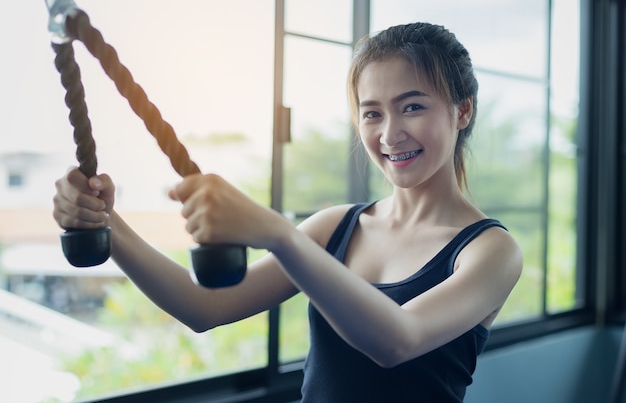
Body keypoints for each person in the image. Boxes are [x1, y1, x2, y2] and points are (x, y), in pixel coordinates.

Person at [53, 22, 523, 402]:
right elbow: (204, 307)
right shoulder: (336, 227)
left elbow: (396, 340)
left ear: (462, 111)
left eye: (412, 106)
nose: (390, 134)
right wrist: (107, 223)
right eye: (372, 113)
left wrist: (277, 233)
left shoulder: (490, 251)